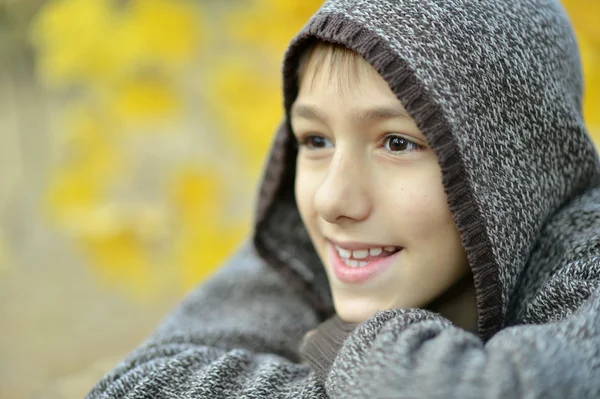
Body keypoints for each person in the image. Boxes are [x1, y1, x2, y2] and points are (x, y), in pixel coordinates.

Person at [86, 0, 600, 398]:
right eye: (316, 141)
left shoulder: (588, 255)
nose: (333, 200)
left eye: (398, 143)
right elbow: (135, 386)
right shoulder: (303, 254)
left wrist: (347, 342)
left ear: (514, 162)